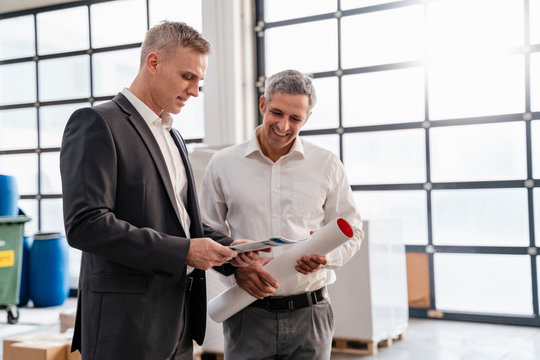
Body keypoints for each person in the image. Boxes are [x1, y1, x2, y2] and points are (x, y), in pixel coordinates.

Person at [60, 21, 258, 360]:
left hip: (177, 322)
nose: (195, 91)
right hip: (125, 326)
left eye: (200, 82)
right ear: (153, 63)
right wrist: (183, 252)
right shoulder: (97, 123)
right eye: (187, 77)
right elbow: (86, 225)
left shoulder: (173, 135)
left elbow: (181, 222)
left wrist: (229, 250)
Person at [200, 69, 364, 359]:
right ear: (263, 104)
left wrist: (328, 259)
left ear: (307, 118)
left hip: (311, 315)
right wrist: (237, 269)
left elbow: (354, 231)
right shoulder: (223, 163)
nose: (284, 125)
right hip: (247, 314)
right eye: (276, 112)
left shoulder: (327, 164)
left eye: (295, 118)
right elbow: (205, 231)